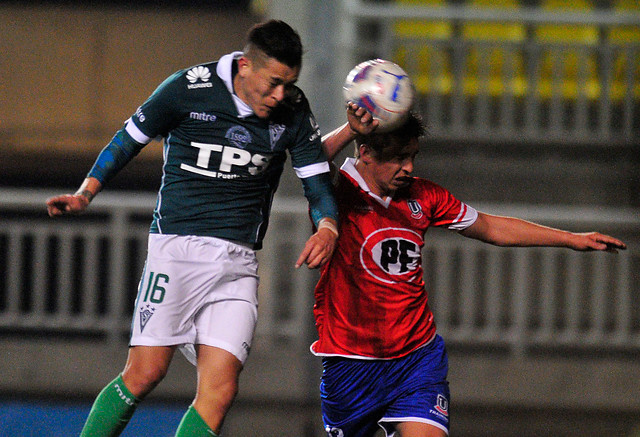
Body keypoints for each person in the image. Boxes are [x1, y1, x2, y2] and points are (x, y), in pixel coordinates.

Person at [46, 20, 339, 437]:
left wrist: (327, 227)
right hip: (177, 253)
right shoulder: (188, 87)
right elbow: (127, 140)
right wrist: (85, 193)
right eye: (273, 83)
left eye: (288, 85)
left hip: (238, 265)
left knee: (221, 390)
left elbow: (317, 183)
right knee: (145, 373)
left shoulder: (293, 108)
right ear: (245, 67)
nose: (279, 95)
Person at [314, 104, 627, 437]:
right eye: (397, 158)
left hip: (416, 356)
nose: (407, 168)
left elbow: (489, 227)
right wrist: (350, 129)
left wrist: (570, 239)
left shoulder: (425, 195)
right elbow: (308, 160)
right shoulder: (336, 189)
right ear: (365, 153)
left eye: (413, 157)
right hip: (350, 360)